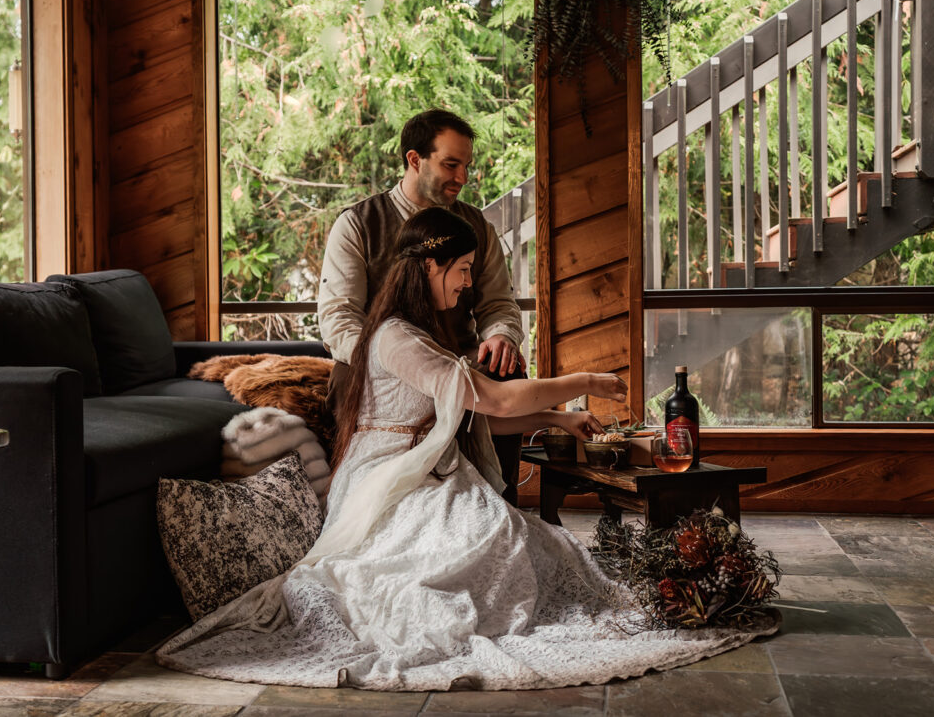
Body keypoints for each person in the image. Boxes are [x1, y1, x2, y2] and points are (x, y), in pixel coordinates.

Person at [156, 208, 775, 690]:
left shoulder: (422, 331)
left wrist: (563, 419)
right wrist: (582, 381)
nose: (467, 282)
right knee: (475, 546)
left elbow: (480, 415)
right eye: (461, 269)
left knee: (529, 540)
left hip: (430, 464)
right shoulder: (397, 337)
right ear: (430, 265)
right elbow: (494, 400)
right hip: (392, 477)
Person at [318, 109, 526, 501]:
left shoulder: (477, 226)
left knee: (505, 369)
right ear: (414, 159)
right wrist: (388, 359)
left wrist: (501, 336)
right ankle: (356, 497)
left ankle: (499, 501)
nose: (462, 178)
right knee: (345, 379)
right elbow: (338, 317)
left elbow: (499, 302)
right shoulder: (358, 224)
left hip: (459, 358)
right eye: (451, 164)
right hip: (381, 365)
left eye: (465, 165)